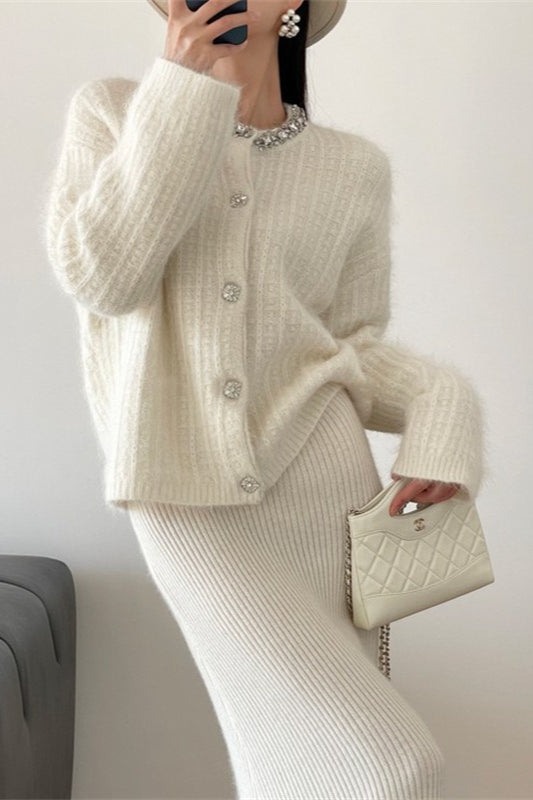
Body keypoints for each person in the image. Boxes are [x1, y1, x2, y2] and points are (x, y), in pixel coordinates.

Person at [43, 0, 487, 796]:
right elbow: (106, 278)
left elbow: (350, 347)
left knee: (294, 773)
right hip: (182, 494)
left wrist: (441, 406)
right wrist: (185, 87)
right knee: (391, 768)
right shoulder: (115, 112)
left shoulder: (352, 167)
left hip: (325, 483)